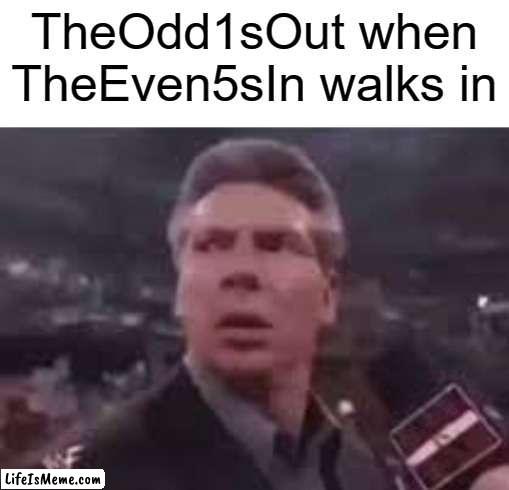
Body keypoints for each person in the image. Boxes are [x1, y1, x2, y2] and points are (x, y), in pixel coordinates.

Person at [61, 139, 394, 489]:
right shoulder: (88, 471)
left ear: (327, 296)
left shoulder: (360, 473)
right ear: (179, 290)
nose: (241, 270)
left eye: (275, 245)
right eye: (212, 245)